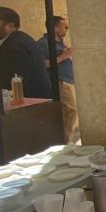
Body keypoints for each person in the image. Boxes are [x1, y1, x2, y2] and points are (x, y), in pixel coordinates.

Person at [0, 7, 52, 100]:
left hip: (25, 106)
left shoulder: (15, 47)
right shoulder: (16, 42)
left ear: (10, 26)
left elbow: (13, 83)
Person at [37, 16, 78, 144]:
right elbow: (42, 64)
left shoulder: (59, 43)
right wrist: (64, 55)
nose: (67, 29)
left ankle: (70, 139)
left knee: (71, 112)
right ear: (55, 28)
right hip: (60, 82)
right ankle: (67, 141)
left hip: (68, 81)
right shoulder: (43, 44)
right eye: (64, 27)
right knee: (71, 111)